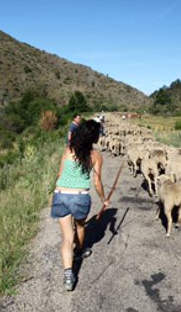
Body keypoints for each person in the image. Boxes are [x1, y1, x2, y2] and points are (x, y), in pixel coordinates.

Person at [51, 119, 110, 291]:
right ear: (93, 136)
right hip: (80, 196)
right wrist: (104, 199)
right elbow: (97, 182)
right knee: (80, 227)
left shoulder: (68, 149)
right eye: (98, 133)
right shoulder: (96, 156)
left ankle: (68, 275)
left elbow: (59, 173)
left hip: (60, 194)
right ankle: (79, 252)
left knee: (66, 237)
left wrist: (61, 188)